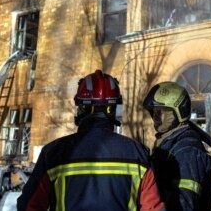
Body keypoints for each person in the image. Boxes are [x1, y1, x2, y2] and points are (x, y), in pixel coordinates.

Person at [17, 70, 164, 211]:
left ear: (81, 108)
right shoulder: (138, 154)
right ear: (113, 109)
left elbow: (29, 206)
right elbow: (153, 207)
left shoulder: (54, 153)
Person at [143, 82, 211, 211]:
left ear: (178, 112)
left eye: (161, 112)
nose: (156, 117)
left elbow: (184, 204)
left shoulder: (188, 149)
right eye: (154, 112)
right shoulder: (169, 144)